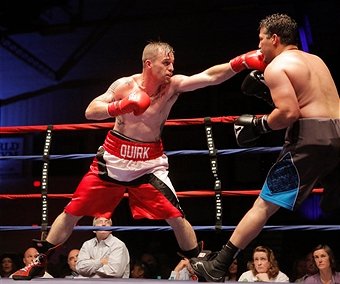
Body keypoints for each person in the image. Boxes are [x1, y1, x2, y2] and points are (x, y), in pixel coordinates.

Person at [12, 40, 266, 280]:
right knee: (72, 211)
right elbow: (91, 110)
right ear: (148, 64)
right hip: (113, 158)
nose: (172, 68)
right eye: (166, 63)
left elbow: (210, 76)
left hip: (149, 163)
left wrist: (241, 61)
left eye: (172, 63)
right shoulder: (125, 85)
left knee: (175, 216)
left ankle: (199, 265)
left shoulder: (173, 86)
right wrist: (120, 106)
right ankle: (38, 261)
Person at [190, 13, 340, 282]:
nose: (259, 46)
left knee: (263, 205)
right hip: (338, 135)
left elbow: (289, 113)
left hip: (310, 139)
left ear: (274, 38)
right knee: (330, 198)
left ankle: (218, 265)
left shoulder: (276, 66)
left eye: (261, 39)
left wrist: (260, 125)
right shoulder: (317, 60)